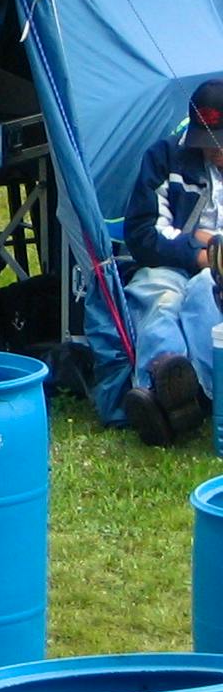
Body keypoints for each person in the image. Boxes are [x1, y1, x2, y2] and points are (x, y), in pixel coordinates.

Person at [117, 78, 223, 445]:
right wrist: (200, 249)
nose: (214, 152)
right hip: (176, 260)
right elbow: (143, 232)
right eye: (207, 143)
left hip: (215, 273)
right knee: (158, 297)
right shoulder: (165, 156)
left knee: (201, 293)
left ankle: (205, 395)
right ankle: (160, 390)